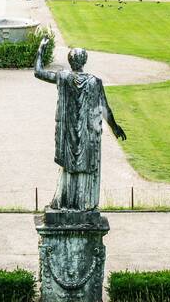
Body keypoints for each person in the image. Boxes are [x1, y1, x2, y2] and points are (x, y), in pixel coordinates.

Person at [33, 38, 125, 213]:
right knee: (84, 169)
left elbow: (38, 72)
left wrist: (41, 50)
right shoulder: (94, 82)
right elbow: (105, 108)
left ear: (70, 61)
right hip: (87, 135)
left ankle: (66, 201)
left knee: (69, 168)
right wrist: (114, 127)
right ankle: (82, 203)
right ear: (84, 61)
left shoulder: (64, 77)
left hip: (68, 135)